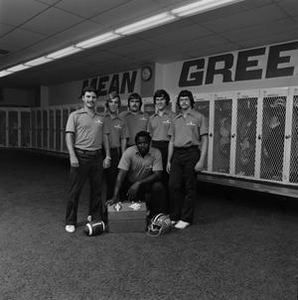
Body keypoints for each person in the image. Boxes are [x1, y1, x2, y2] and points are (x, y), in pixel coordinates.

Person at [64, 86, 111, 233]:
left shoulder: (101, 117)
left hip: (97, 157)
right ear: (83, 98)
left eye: (93, 97)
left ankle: (94, 215)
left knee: (97, 190)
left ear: (96, 99)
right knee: (75, 191)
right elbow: (69, 135)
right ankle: (70, 220)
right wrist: (72, 155)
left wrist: (107, 155)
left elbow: (105, 137)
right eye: (88, 97)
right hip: (80, 156)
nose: (91, 100)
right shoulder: (75, 115)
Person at [167, 90, 208, 230]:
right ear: (178, 102)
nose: (183, 102)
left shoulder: (199, 117)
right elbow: (171, 140)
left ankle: (186, 219)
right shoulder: (175, 119)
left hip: (192, 153)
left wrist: (201, 160)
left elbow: (204, 139)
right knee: (173, 185)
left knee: (189, 187)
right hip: (177, 154)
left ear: (191, 101)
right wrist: (168, 160)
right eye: (181, 99)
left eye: (186, 99)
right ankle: (174, 216)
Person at [107, 131, 167, 219]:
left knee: (158, 186)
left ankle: (155, 216)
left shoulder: (156, 152)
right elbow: (121, 175)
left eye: (145, 143)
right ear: (136, 144)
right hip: (130, 184)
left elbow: (158, 174)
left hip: (145, 183)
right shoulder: (129, 152)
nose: (142, 145)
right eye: (139, 143)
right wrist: (114, 196)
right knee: (121, 187)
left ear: (150, 143)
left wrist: (139, 183)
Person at [148, 89, 175, 210]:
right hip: (154, 148)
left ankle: (168, 209)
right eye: (157, 100)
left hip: (168, 147)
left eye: (162, 99)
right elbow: (150, 137)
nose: (159, 102)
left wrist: (169, 159)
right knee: (155, 179)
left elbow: (173, 139)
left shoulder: (173, 116)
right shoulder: (151, 118)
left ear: (167, 101)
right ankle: (155, 208)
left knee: (168, 180)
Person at [104, 92, 129, 200]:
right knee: (97, 183)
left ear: (118, 104)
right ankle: (95, 212)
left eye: (116, 102)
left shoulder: (122, 121)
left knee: (112, 181)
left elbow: (124, 138)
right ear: (107, 104)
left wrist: (123, 156)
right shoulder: (101, 118)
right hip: (100, 152)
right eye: (111, 102)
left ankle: (109, 210)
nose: (113, 104)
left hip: (115, 152)